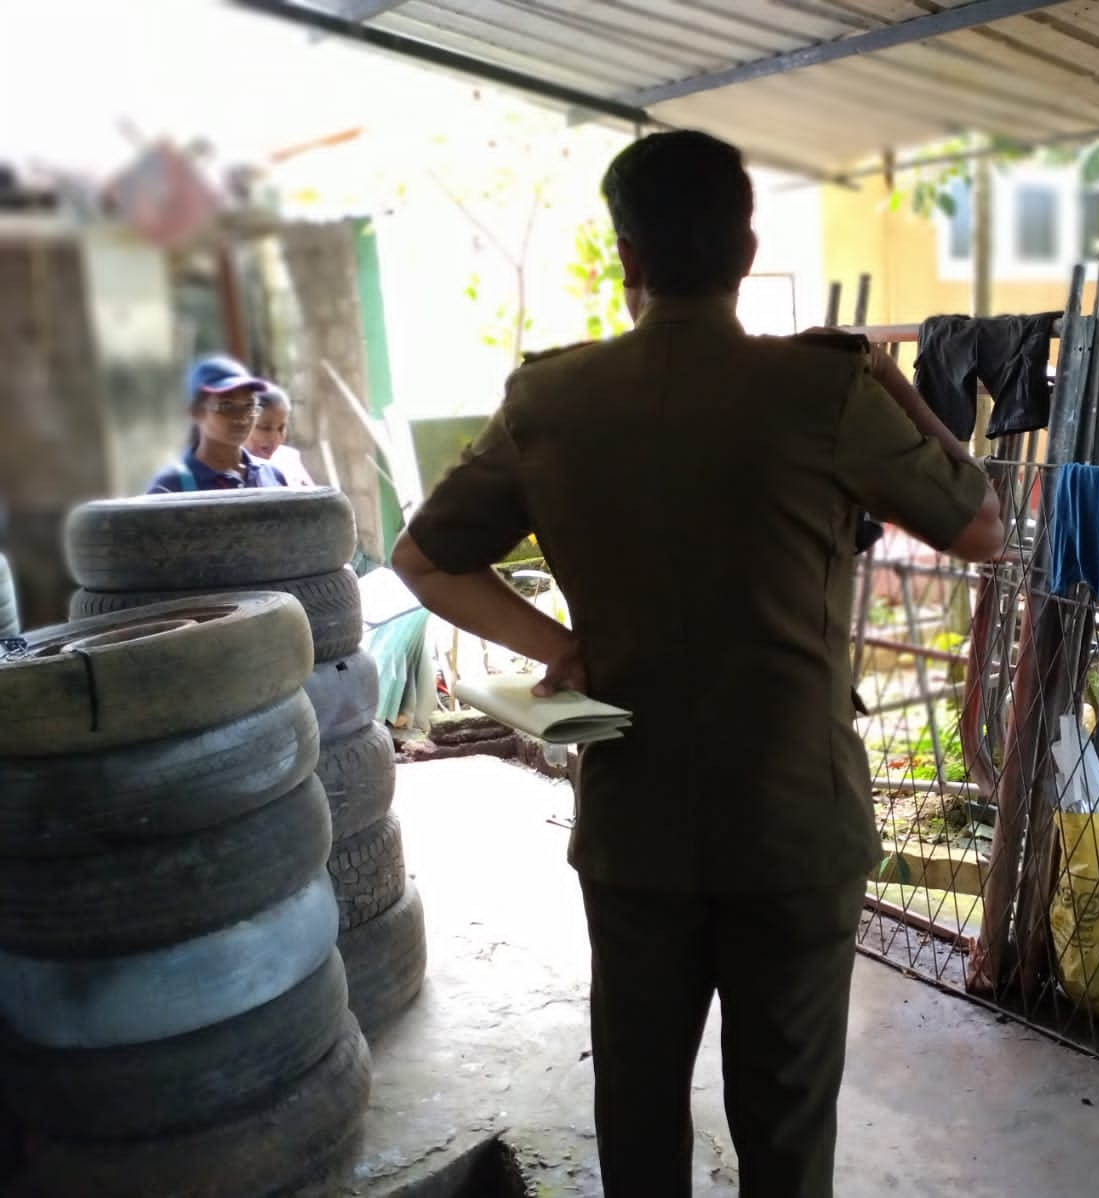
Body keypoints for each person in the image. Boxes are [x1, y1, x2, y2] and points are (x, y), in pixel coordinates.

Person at [392, 129, 1003, 1198]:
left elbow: (423, 559)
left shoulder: (550, 401)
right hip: (792, 826)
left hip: (635, 826)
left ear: (625, 256)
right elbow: (982, 527)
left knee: (635, 1105)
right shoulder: (823, 391)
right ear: (744, 243)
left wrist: (563, 645)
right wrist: (891, 382)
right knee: (785, 1118)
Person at [147, 355, 288, 493]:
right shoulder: (171, 487)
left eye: (249, 405)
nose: (242, 418)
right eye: (226, 406)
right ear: (196, 412)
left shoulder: (271, 475)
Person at [248, 382, 319, 487]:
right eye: (265, 428)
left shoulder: (288, 459)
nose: (274, 438)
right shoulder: (233, 469)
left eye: (281, 428)